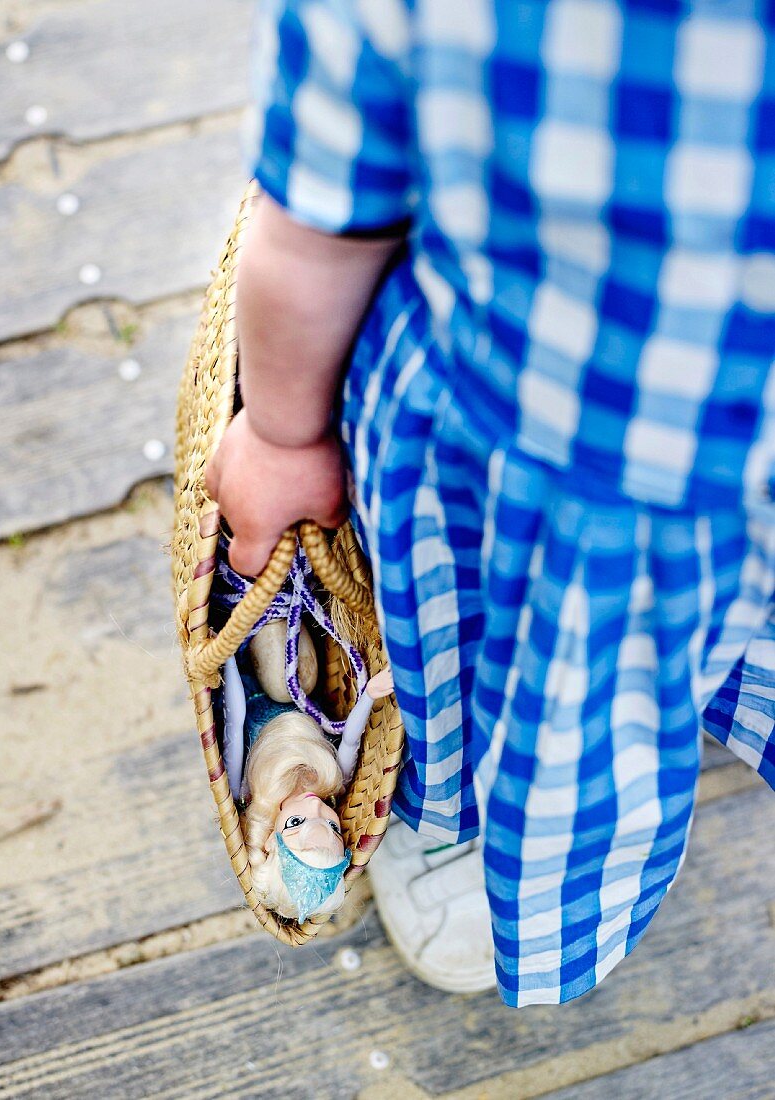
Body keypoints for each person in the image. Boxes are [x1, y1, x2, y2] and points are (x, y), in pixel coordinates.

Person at [205, 0, 775, 1005]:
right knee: (550, 665)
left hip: (549, 454)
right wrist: (285, 434)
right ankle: (482, 801)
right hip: (538, 462)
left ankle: (490, 823)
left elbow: (317, 224)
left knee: (564, 704)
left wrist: (282, 433)